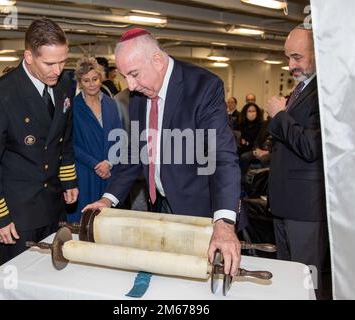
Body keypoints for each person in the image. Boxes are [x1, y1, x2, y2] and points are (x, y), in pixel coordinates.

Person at [84, 28, 242, 276]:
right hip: (158, 203)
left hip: (198, 210)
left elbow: (222, 158)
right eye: (125, 76)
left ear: (157, 60)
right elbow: (136, 154)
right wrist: (108, 199)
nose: (131, 86)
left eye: (134, 74)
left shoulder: (203, 87)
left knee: (197, 278)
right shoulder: (139, 94)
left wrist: (224, 222)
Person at [0, 18, 78, 265]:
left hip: (54, 202)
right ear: (29, 57)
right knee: (20, 279)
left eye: (63, 61)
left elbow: (64, 138)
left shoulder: (64, 84)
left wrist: (68, 179)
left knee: (56, 270)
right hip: (19, 211)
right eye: (50, 63)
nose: (58, 70)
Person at [266, 25, 328, 298]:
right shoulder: (301, 89)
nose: (290, 65)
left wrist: (279, 114)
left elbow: (310, 146)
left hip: (305, 206)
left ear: (318, 53)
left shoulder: (325, 92)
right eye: (288, 57)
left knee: (305, 278)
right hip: (284, 202)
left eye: (297, 57)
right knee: (286, 276)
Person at [68, 57, 122, 222]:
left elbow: (119, 136)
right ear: (80, 82)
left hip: (109, 170)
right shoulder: (73, 106)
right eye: (86, 80)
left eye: (95, 79)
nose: (91, 84)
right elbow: (70, 142)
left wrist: (109, 162)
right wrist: (95, 164)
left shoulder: (111, 104)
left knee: (106, 220)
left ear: (101, 79)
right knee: (84, 218)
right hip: (84, 171)